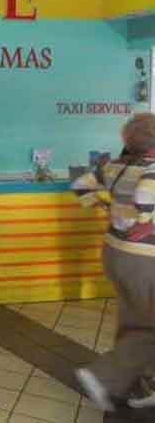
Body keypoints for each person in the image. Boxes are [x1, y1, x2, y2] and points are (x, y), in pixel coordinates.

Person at [72, 113, 155, 411]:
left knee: (134, 320)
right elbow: (146, 199)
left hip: (114, 253)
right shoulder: (151, 169)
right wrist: (145, 220)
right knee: (149, 327)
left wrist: (109, 207)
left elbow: (80, 186)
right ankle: (104, 376)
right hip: (145, 259)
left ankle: (141, 382)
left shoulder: (115, 166)